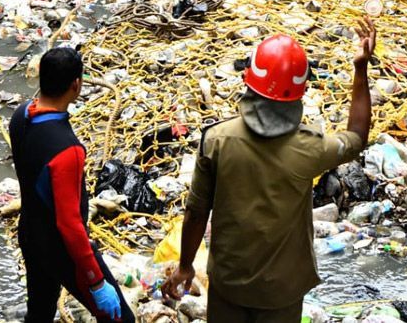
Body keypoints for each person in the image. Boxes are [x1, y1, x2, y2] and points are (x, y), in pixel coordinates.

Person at [161, 18, 377, 321]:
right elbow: (356, 137)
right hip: (282, 292)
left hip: (229, 284)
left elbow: (196, 211)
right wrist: (360, 68)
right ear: (299, 92)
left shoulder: (217, 141)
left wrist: (185, 266)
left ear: (249, 81)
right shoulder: (310, 148)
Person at [9, 47, 134, 322]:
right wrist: (96, 281)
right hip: (61, 249)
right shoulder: (68, 151)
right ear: (76, 85)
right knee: (121, 319)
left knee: (40, 312)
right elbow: (70, 224)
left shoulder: (20, 117)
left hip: (30, 233)